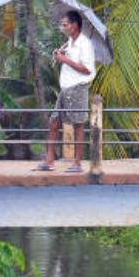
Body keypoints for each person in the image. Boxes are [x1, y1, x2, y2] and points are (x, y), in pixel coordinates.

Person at [34, 10, 94, 173]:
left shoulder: (84, 44)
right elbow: (70, 63)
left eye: (65, 25)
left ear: (75, 25)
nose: (63, 28)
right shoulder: (69, 43)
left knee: (78, 125)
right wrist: (60, 55)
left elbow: (88, 69)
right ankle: (49, 160)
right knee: (54, 122)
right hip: (65, 87)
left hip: (78, 87)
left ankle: (77, 163)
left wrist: (65, 60)